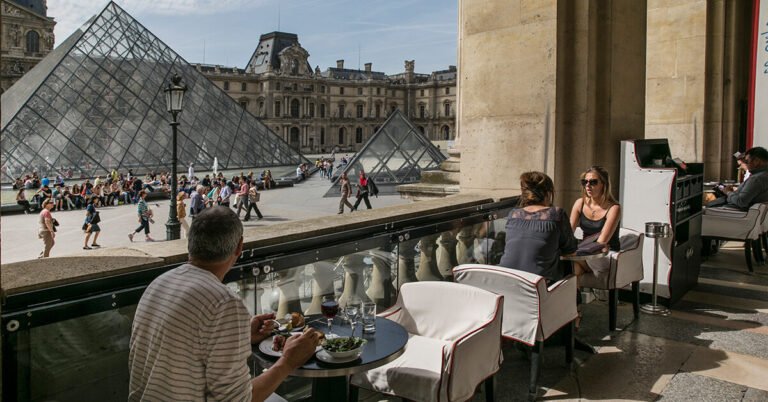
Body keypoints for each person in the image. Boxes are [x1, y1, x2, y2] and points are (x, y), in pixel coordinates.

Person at [128, 207, 322, 401]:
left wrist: (243, 336)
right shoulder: (223, 303)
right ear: (239, 247)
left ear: (191, 243)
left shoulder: (160, 282)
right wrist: (288, 362)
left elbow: (185, 354)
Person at [498, 171, 578, 281]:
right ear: (548, 194)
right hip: (538, 286)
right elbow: (571, 251)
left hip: (507, 280)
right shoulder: (556, 214)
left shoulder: (513, 214)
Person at [569, 166, 621, 278]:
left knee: (571, 262)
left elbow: (601, 242)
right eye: (585, 182)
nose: (588, 185)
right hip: (585, 252)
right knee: (574, 269)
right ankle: (578, 295)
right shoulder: (580, 203)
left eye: (593, 182)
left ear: (603, 184)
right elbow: (567, 233)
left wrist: (574, 251)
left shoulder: (613, 208)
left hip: (606, 254)